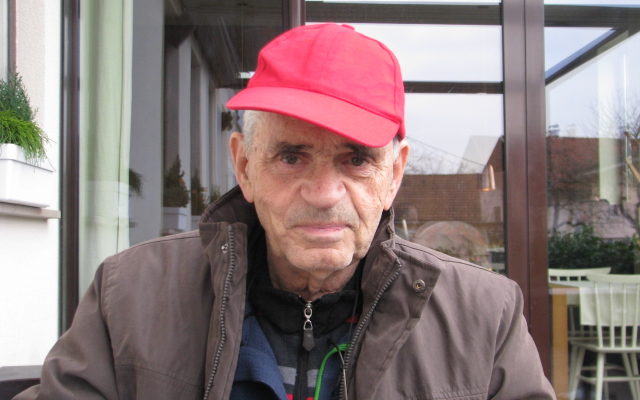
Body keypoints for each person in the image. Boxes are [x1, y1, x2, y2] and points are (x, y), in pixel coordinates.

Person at [15, 23, 555, 400]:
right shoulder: (129, 294)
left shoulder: (485, 315)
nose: (323, 193)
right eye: (291, 156)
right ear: (244, 166)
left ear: (394, 175)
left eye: (357, 160)